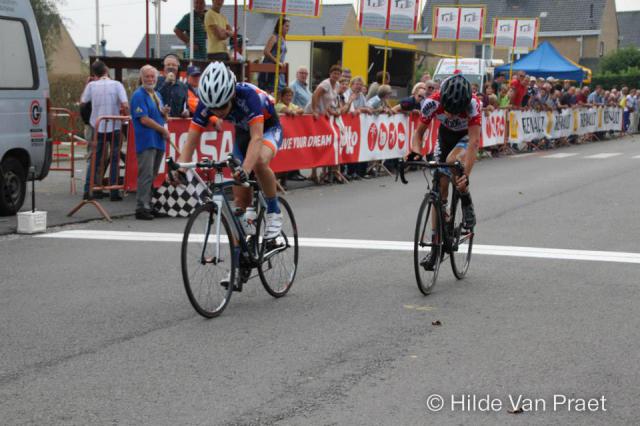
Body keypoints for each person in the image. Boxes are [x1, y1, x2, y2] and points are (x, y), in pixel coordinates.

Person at [177, 62, 284, 239]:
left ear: (232, 95)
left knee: (258, 163)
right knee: (239, 204)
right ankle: (241, 253)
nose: (218, 113)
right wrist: (180, 168)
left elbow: (257, 138)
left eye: (222, 107)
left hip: (268, 129)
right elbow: (191, 140)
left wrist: (245, 171)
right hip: (243, 133)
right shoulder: (206, 104)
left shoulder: (248, 95)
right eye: (213, 108)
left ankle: (274, 211)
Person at [408, 74, 481, 272]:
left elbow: (474, 142)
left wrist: (465, 175)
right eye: (447, 110)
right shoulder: (431, 103)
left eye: (456, 112)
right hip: (445, 137)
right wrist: (415, 151)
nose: (450, 115)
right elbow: (418, 134)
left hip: (466, 137)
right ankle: (435, 245)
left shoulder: (474, 105)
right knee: (439, 188)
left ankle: (465, 199)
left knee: (452, 161)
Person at [80, 60, 129, 201]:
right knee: (114, 158)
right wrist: (126, 118)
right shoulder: (117, 85)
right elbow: (125, 104)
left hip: (98, 125)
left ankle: (88, 190)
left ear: (94, 73)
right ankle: (114, 191)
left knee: (95, 158)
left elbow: (83, 102)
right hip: (115, 126)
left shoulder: (91, 86)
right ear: (107, 70)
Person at [130, 65, 170, 220]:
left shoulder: (157, 94)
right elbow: (144, 119)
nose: (150, 79)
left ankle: (149, 204)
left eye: (152, 76)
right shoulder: (138, 95)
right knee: (146, 174)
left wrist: (165, 114)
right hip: (147, 139)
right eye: (147, 76)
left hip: (158, 140)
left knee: (152, 174)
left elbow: (162, 116)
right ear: (142, 78)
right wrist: (162, 130)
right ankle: (141, 207)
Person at [259, 17, 290, 93]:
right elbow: (266, 51)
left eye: (289, 26)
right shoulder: (274, 37)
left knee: (281, 90)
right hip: (270, 70)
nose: (288, 28)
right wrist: (277, 61)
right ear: (280, 26)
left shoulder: (283, 39)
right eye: (286, 26)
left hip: (279, 71)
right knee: (269, 91)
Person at [156, 54, 189, 118]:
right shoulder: (156, 81)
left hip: (176, 124)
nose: (171, 67)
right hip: (158, 122)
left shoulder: (183, 86)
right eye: (168, 65)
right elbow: (154, 98)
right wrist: (166, 82)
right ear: (164, 67)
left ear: (178, 67)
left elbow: (186, 106)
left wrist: (186, 113)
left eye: (174, 65)